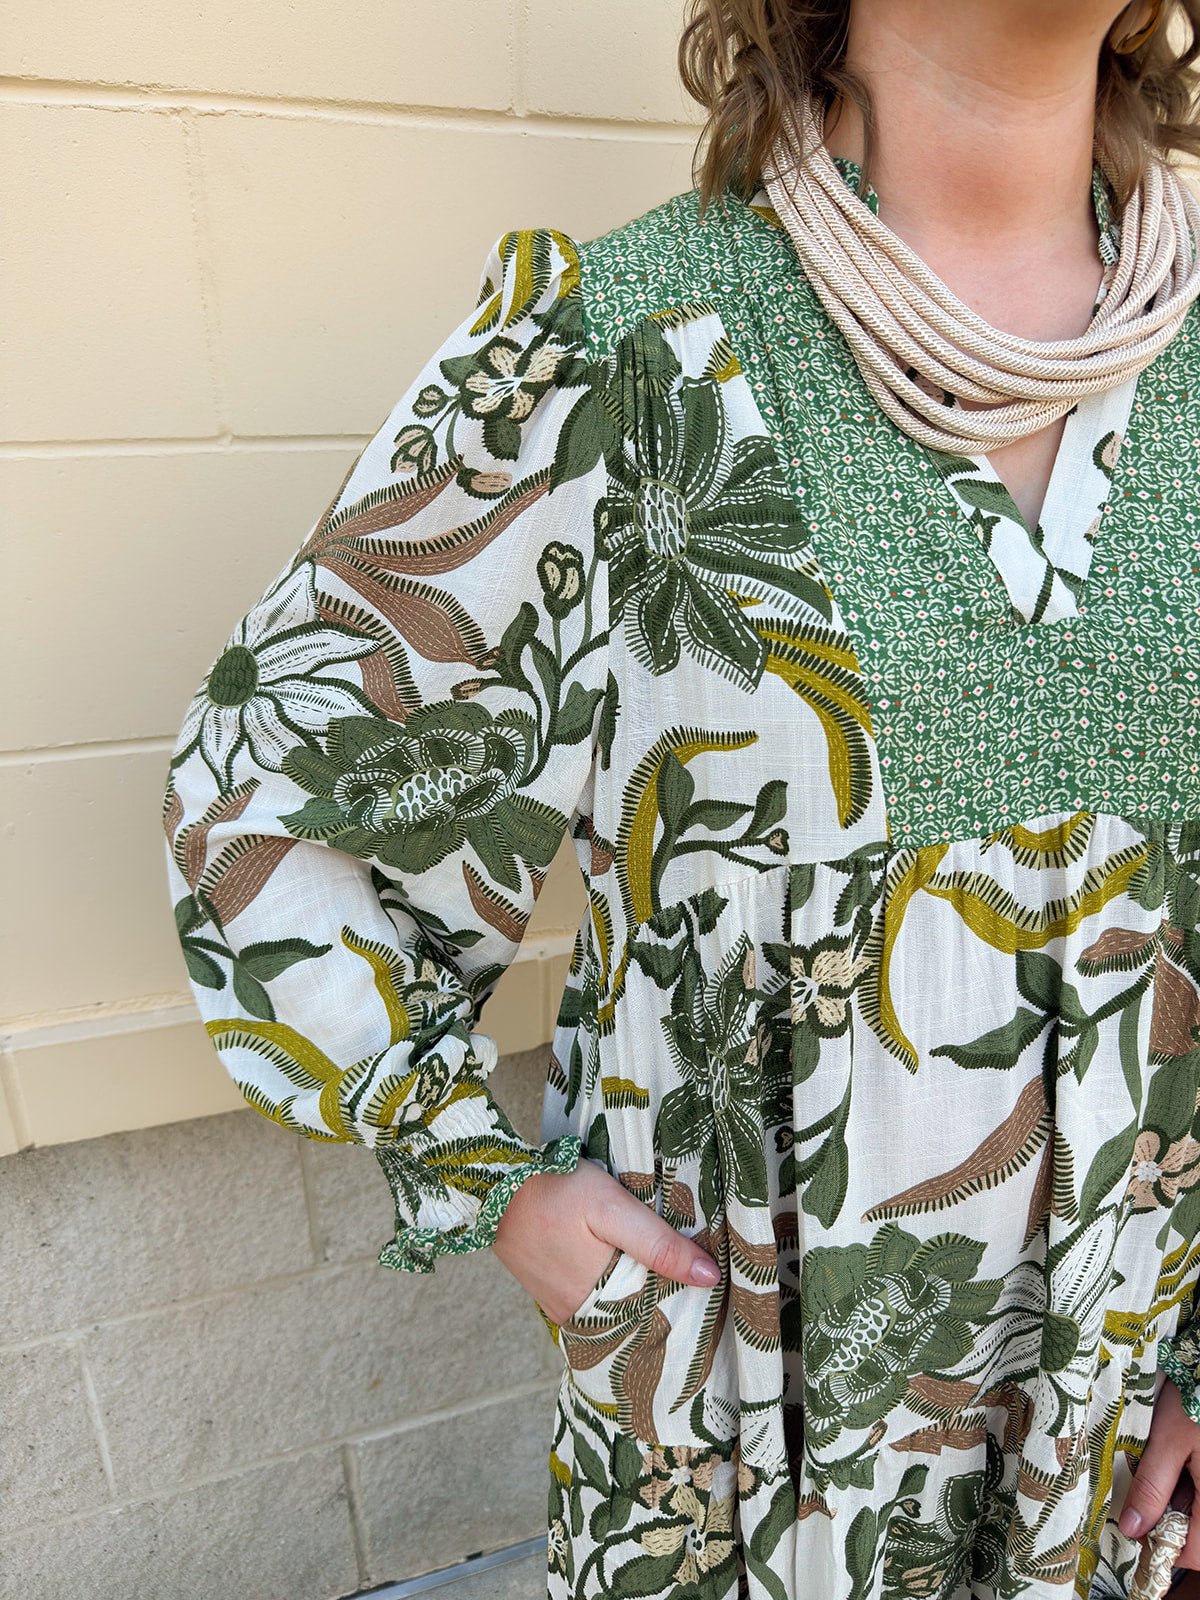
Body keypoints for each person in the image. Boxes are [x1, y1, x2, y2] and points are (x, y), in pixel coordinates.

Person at [161, 0, 1200, 1594]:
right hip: (739, 1449)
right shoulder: (628, 354)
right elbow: (260, 793)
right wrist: (482, 1173)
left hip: (1107, 1446)